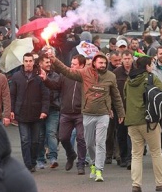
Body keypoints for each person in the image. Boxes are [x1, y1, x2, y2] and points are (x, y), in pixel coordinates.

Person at [49, 51, 126, 182]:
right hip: (88, 114)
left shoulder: (111, 76)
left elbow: (116, 96)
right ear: (94, 63)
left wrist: (121, 112)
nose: (103, 65)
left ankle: (99, 170)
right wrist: (54, 60)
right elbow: (67, 71)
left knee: (100, 143)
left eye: (105, 63)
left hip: (103, 114)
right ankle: (93, 163)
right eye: (100, 62)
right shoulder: (85, 74)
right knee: (90, 143)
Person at [125, 56, 162, 192]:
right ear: (146, 66)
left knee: (136, 154)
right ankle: (160, 182)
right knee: (156, 151)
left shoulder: (129, 80)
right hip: (149, 120)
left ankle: (136, 184)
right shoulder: (151, 78)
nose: (152, 66)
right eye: (150, 64)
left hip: (132, 121)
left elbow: (125, 98)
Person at [43, 54, 87, 174]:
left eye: (74, 64)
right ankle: (71, 154)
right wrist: (45, 79)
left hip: (80, 113)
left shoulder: (86, 77)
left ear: (82, 66)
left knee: (81, 138)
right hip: (66, 112)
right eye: (71, 64)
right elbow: (55, 86)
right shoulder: (64, 75)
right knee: (63, 138)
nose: (71, 66)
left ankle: (81, 163)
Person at [10, 53, 50, 173]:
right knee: (25, 140)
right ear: (23, 62)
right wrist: (11, 110)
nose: (28, 63)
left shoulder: (39, 76)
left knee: (35, 141)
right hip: (21, 112)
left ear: (33, 62)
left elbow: (45, 95)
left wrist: (44, 110)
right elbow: (12, 95)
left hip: (36, 113)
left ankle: (33, 161)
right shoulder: (16, 76)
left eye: (30, 61)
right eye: (26, 61)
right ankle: (28, 164)